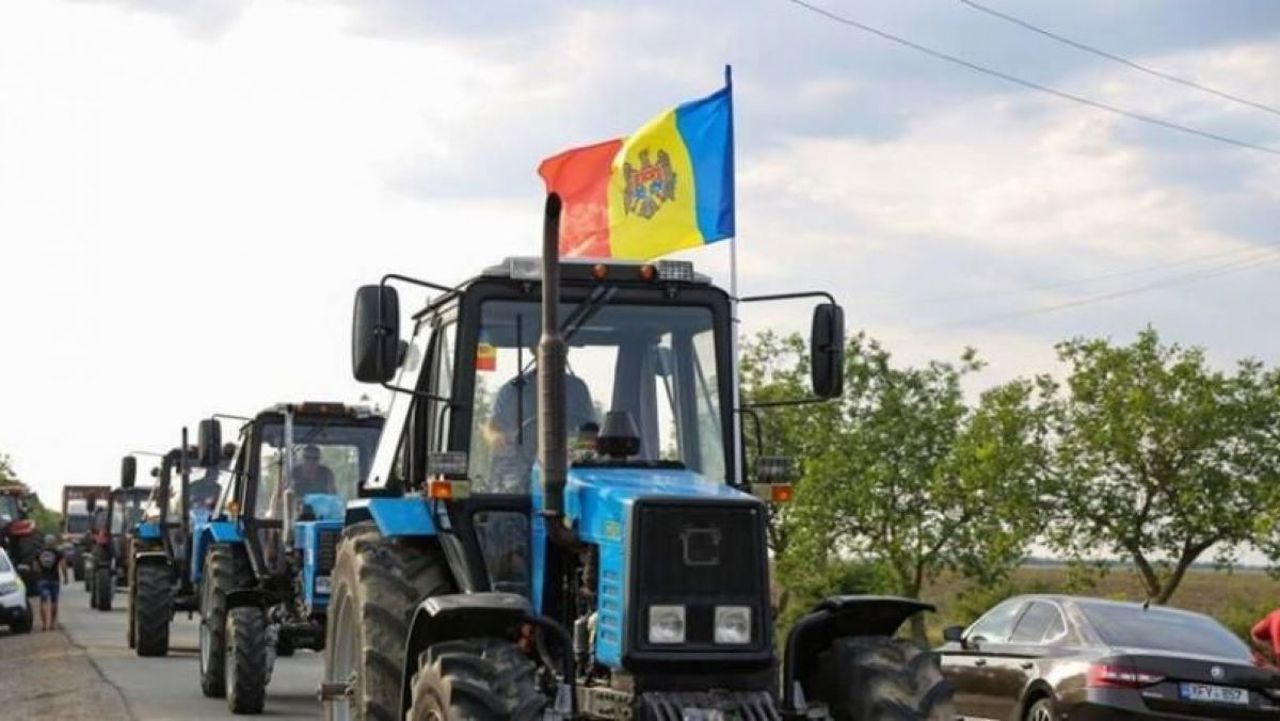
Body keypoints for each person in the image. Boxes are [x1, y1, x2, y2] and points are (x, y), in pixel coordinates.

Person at [484, 369, 596, 493]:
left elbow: (590, 430)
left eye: (562, 348)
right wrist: (496, 437)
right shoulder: (512, 390)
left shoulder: (578, 389)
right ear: (533, 349)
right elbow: (492, 429)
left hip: (568, 468)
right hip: (518, 471)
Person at [34, 534, 67, 631]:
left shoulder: (39, 553)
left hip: (42, 580)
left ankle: (44, 624)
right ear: (54, 543)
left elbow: (35, 568)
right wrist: (65, 577)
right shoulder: (58, 553)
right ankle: (52, 624)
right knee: (54, 601)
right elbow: (63, 566)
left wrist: (40, 574)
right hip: (54, 580)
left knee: (43, 601)